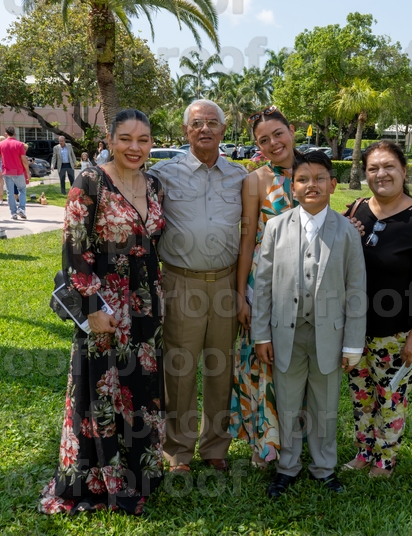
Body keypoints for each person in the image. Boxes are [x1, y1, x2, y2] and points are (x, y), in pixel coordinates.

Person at [38, 109, 166, 515]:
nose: (135, 147)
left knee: (141, 387)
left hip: (146, 304)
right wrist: (92, 307)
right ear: (110, 140)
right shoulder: (90, 181)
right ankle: (99, 480)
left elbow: (153, 244)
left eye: (143, 139)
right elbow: (74, 249)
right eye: (125, 138)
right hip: (105, 304)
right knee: (102, 390)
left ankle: (140, 473)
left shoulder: (154, 183)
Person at [253, 150, 366, 498]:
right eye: (303, 179)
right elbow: (263, 285)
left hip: (329, 335)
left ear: (333, 184)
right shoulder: (276, 227)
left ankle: (324, 467)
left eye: (319, 178)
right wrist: (261, 335)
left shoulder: (346, 231)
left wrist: (353, 343)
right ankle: (287, 466)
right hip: (285, 334)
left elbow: (356, 289)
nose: (311, 185)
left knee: (324, 404)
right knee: (288, 403)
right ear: (293, 187)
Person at [147, 99, 247, 475]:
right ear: (186, 131)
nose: (205, 129)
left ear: (223, 130)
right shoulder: (161, 175)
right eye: (197, 123)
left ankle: (216, 446)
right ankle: (178, 450)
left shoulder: (240, 176)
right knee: (180, 369)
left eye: (212, 123)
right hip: (180, 283)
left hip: (225, 284)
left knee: (221, 368)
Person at [342, 141, 412, 478]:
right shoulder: (356, 211)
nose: (381, 174)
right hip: (355, 328)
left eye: (388, 167)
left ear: (403, 170)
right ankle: (363, 451)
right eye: (373, 168)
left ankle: (385, 459)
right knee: (361, 394)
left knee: (390, 396)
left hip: (396, 330)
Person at [229, 106, 299, 469]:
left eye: (278, 134)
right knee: (262, 359)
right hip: (264, 280)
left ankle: (294, 439)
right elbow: (246, 239)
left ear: (292, 131)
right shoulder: (255, 180)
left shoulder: (313, 171)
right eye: (263, 140)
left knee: (298, 359)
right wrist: (241, 294)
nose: (273, 143)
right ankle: (264, 441)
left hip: (308, 283)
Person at [0, 127, 30, 220]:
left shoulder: (1, 144)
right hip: (18, 171)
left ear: (6, 133)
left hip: (7, 171)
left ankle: (13, 213)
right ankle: (21, 209)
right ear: (14, 133)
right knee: (22, 190)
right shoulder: (19, 144)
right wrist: (27, 171)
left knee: (10, 192)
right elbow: (24, 159)